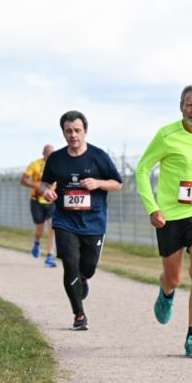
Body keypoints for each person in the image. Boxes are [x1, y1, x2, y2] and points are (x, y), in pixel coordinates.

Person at [136, 84, 192, 359]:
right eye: (189, 105)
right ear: (181, 107)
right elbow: (142, 169)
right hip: (171, 216)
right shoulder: (167, 135)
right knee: (174, 277)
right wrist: (152, 207)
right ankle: (166, 290)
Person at [39, 111, 123, 330]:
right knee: (70, 264)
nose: (73, 135)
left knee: (88, 267)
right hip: (65, 220)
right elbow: (44, 183)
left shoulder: (98, 156)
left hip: (94, 222)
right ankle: (79, 314)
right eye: (69, 131)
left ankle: (82, 279)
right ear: (63, 133)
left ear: (85, 131)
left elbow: (117, 183)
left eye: (77, 130)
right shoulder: (56, 159)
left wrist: (97, 183)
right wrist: (46, 191)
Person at [20, 145, 58, 267]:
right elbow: (23, 180)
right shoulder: (35, 164)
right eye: (48, 153)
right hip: (36, 201)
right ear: (43, 153)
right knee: (40, 231)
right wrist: (36, 185)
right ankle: (37, 242)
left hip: (51, 201)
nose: (50, 155)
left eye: (52, 153)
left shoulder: (59, 166)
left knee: (53, 227)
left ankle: (50, 256)